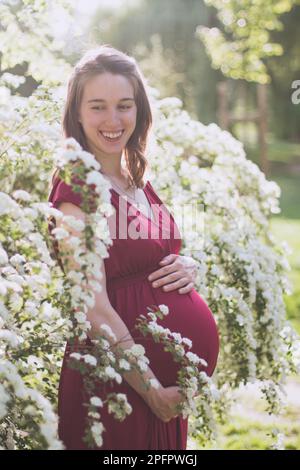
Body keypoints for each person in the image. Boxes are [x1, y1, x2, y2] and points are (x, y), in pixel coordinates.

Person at [48, 45, 219, 450]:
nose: (113, 120)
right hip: (120, 387)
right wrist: (152, 389)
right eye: (98, 107)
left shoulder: (135, 176)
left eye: (124, 105)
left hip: (161, 392)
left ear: (139, 109)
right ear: (77, 113)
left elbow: (156, 254)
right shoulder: (76, 189)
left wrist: (188, 265)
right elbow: (92, 305)